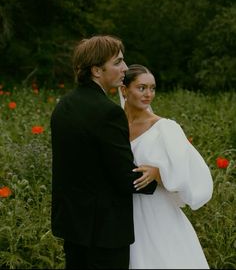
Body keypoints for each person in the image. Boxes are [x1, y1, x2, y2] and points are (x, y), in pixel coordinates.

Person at [50, 36, 159, 269]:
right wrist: (158, 176)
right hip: (105, 233)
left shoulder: (63, 106)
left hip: (73, 227)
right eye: (118, 62)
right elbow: (124, 178)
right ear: (97, 70)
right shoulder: (108, 113)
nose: (125, 68)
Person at [119, 64, 213, 269]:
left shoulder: (166, 128)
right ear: (124, 90)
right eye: (141, 88)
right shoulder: (114, 126)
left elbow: (192, 172)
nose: (148, 94)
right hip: (123, 211)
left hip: (156, 211)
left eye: (152, 88)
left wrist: (158, 173)